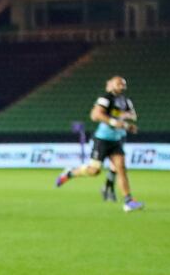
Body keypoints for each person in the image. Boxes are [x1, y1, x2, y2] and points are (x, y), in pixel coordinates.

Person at [56, 76, 144, 212]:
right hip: (102, 140)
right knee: (94, 171)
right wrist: (115, 121)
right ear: (112, 85)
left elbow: (132, 115)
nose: (121, 86)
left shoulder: (125, 101)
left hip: (116, 141)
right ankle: (69, 173)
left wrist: (127, 125)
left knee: (121, 168)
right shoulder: (105, 98)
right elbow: (96, 115)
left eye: (123, 84)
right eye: (118, 83)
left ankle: (128, 201)